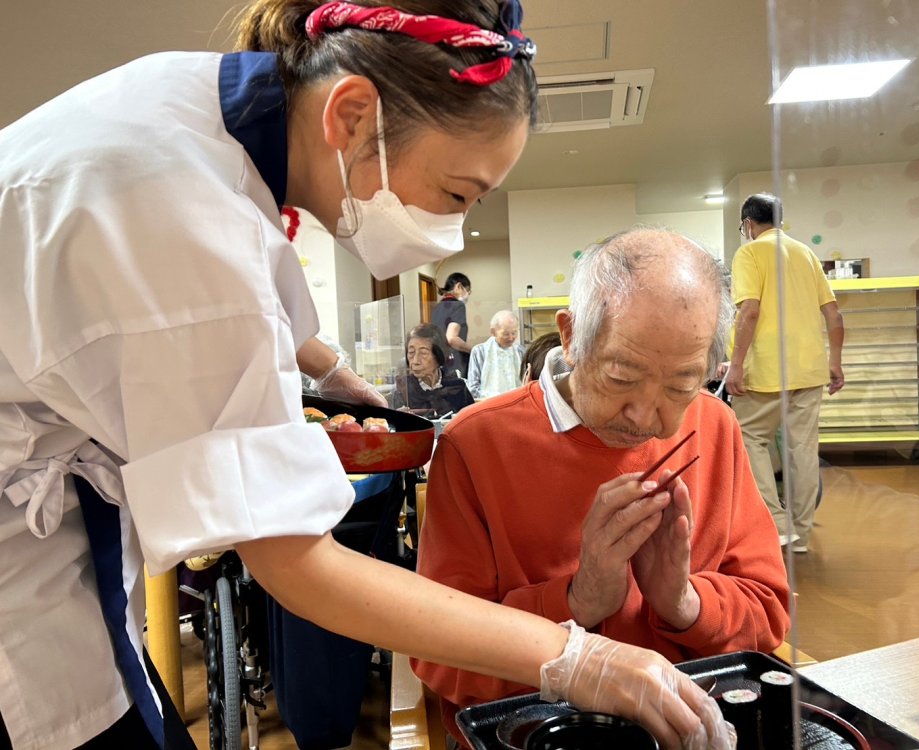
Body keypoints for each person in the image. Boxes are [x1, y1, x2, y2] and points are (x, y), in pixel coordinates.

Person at [0, 1, 731, 748]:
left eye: (682, 385)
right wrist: (576, 655)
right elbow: (296, 564)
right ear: (352, 115)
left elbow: (227, 301)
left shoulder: (200, 126)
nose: (454, 227)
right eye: (458, 195)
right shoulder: (178, 210)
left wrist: (330, 367)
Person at [412, 228, 791, 747]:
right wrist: (577, 600)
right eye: (620, 375)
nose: (644, 417)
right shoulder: (474, 445)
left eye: (681, 385)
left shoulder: (714, 426)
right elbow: (438, 656)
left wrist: (684, 604)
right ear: (570, 336)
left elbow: (767, 612)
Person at [727, 193, 845, 553]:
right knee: (803, 450)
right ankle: (801, 535)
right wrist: (835, 361)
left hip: (766, 370)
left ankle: (778, 525)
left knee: (750, 439)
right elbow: (834, 315)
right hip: (810, 369)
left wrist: (735, 363)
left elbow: (749, 311)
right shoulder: (805, 253)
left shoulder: (750, 252)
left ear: (748, 224)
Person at [391, 324, 475, 416]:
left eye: (423, 353)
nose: (415, 361)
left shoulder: (457, 386)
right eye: (411, 353)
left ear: (439, 356)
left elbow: (472, 423)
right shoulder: (402, 389)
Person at [466, 310, 524, 399]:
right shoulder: (479, 352)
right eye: (506, 334)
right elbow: (473, 387)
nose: (511, 338)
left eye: (514, 333)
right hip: (487, 405)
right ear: (493, 332)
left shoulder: (520, 351)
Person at [431, 272, 473, 376]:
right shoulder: (457, 306)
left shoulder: (438, 307)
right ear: (459, 287)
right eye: (468, 291)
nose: (467, 295)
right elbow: (451, 339)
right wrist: (474, 350)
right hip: (455, 363)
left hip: (440, 362)